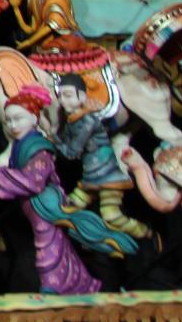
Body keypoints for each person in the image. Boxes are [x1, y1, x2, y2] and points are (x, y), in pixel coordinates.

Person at [0, 85, 135, 294]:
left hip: (45, 205)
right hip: (34, 208)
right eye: (8, 121)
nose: (13, 125)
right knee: (60, 247)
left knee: (48, 247)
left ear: (34, 119)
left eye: (18, 119)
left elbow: (32, 180)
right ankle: (82, 285)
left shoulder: (39, 147)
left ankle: (52, 286)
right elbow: (16, 172)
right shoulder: (19, 145)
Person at [49, 72, 150, 240]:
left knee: (111, 215)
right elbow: (64, 140)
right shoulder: (72, 120)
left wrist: (52, 140)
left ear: (82, 96)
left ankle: (146, 234)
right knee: (67, 206)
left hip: (107, 176)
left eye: (68, 95)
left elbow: (72, 152)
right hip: (91, 176)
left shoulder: (87, 122)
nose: (63, 101)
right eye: (60, 96)